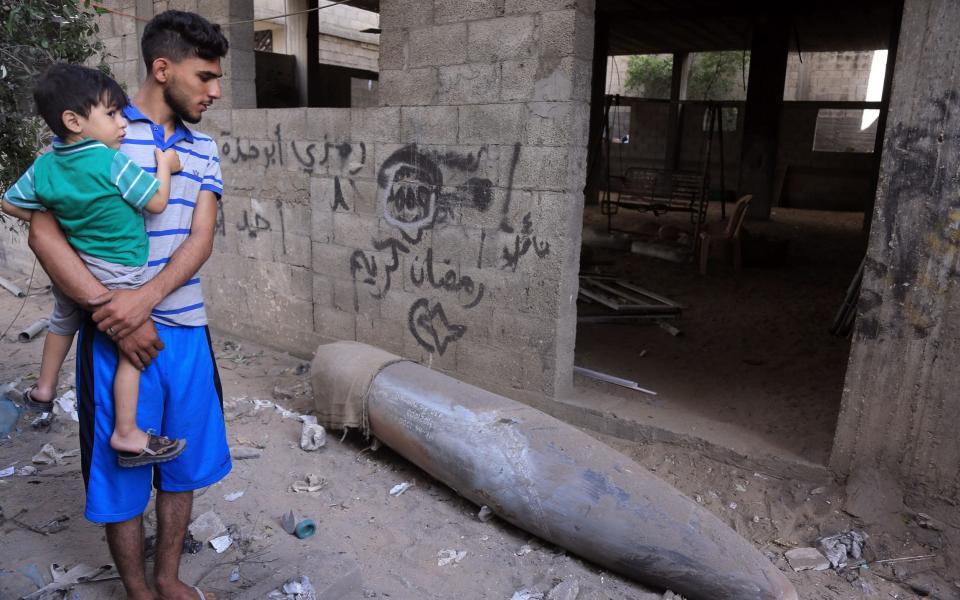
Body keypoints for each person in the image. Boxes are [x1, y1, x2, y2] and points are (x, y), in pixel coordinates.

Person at [27, 10, 231, 600]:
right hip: (110, 334)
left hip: (185, 332)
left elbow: (201, 238)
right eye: (205, 77)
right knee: (121, 470)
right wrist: (107, 312)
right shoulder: (98, 129)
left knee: (182, 465)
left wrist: (141, 302)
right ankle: (138, 591)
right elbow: (44, 234)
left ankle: (167, 578)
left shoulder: (204, 147)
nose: (214, 91)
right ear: (162, 69)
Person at [2, 64, 187, 467]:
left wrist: (55, 214)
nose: (123, 124)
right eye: (112, 114)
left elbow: (10, 202)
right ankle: (126, 431)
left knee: (61, 318)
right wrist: (164, 167)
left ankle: (44, 389)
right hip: (121, 270)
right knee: (129, 352)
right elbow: (155, 202)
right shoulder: (110, 162)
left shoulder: (46, 165)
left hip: (73, 269)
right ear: (74, 120)